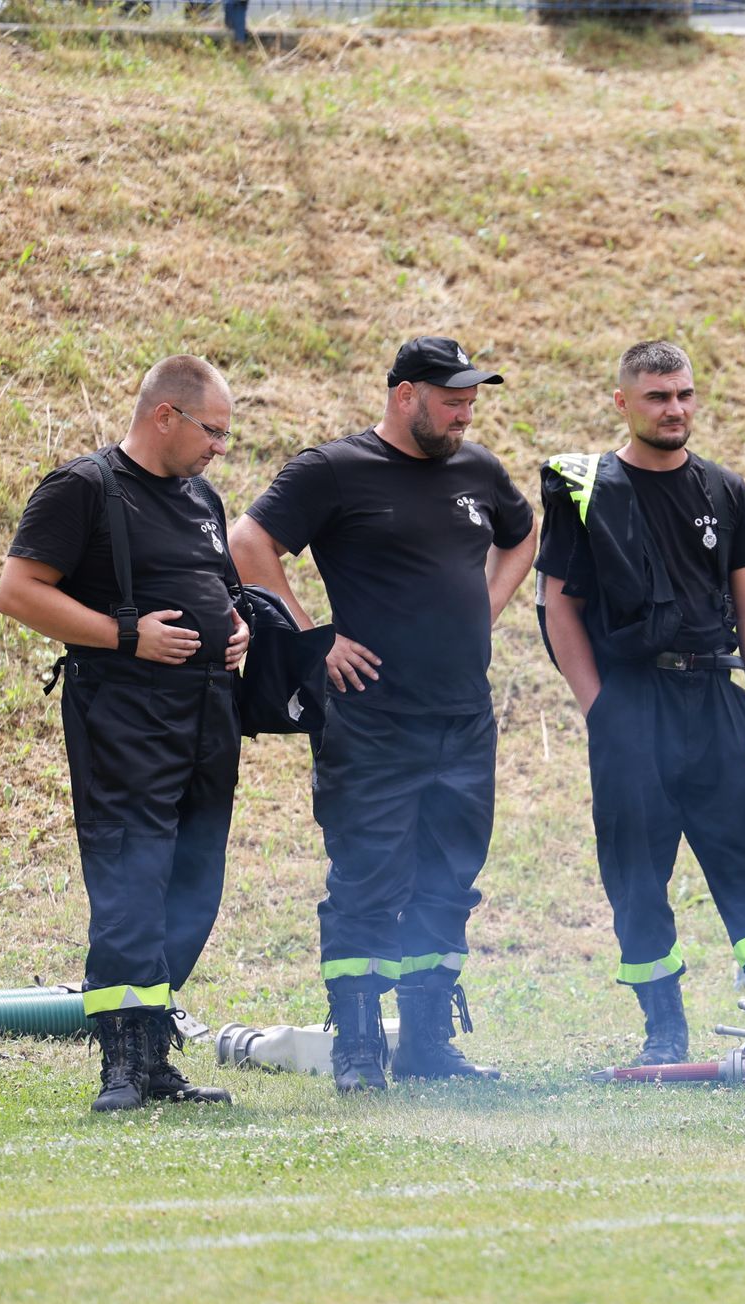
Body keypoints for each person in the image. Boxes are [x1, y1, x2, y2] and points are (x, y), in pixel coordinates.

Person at [231, 337, 535, 1093]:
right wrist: (312, 640)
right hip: (372, 722)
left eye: (473, 397)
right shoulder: (334, 470)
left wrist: (487, 607)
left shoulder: (478, 470)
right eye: (452, 396)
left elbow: (522, 533)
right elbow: (249, 541)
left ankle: (429, 1044)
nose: (466, 410)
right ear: (405, 396)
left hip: (463, 720)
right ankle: (359, 1051)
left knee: (449, 880)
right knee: (367, 880)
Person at [0, 354, 247, 1112]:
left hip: (208, 717)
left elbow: (222, 591)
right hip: (126, 717)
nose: (219, 448)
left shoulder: (203, 496)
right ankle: (125, 1061)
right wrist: (122, 634)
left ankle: (159, 1055)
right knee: (132, 881)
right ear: (164, 415)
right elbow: (18, 592)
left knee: (195, 884)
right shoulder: (86, 487)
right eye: (212, 430)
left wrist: (237, 629)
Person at [535, 340, 745, 1064]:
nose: (674, 408)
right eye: (656, 396)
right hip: (633, 704)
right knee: (637, 875)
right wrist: (601, 708)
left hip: (716, 698)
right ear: (623, 401)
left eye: (683, 393)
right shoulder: (590, 489)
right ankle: (663, 1028)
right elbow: (560, 608)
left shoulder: (726, 490)